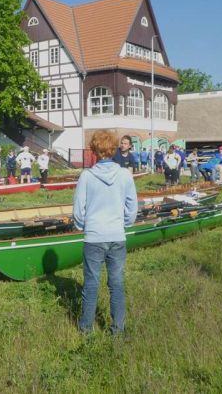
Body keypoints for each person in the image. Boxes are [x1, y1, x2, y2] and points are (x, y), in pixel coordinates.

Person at [73, 130, 138, 335]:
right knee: (116, 284)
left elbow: (78, 210)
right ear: (113, 149)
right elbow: (132, 207)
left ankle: (86, 330)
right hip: (117, 236)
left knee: (91, 284)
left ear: (94, 150)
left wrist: (84, 226)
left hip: (94, 237)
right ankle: (118, 329)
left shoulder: (86, 176)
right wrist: (124, 223)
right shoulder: (125, 175)